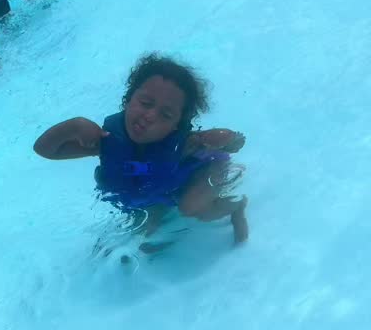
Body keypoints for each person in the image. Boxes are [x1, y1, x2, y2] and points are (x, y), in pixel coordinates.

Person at [34, 54, 248, 247]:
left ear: (177, 126)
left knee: (190, 208)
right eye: (145, 103)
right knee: (146, 242)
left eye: (165, 115)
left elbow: (236, 144)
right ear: (128, 100)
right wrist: (73, 126)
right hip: (158, 191)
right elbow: (45, 150)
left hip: (202, 173)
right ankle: (162, 219)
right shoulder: (107, 141)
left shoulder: (188, 143)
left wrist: (227, 137)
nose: (150, 116)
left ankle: (235, 207)